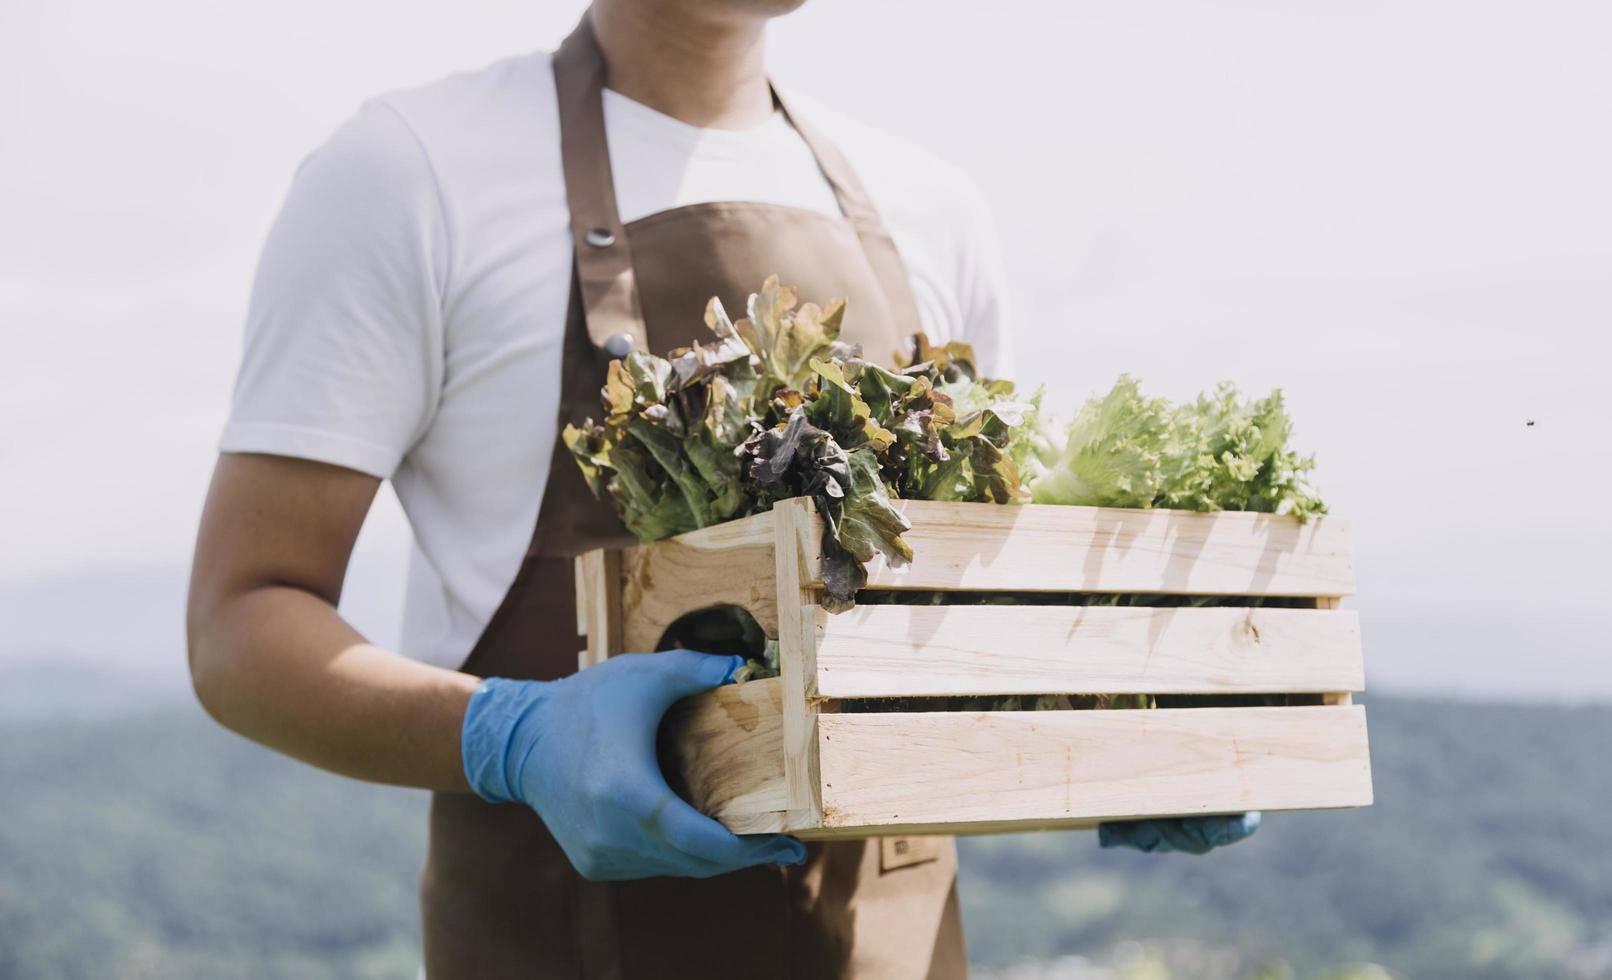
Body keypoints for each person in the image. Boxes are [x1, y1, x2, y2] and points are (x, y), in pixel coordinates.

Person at [186, 1, 1257, 977]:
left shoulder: (931, 209)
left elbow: (963, 608)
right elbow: (241, 623)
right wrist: (511, 735)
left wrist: (1118, 730)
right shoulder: (409, 173)